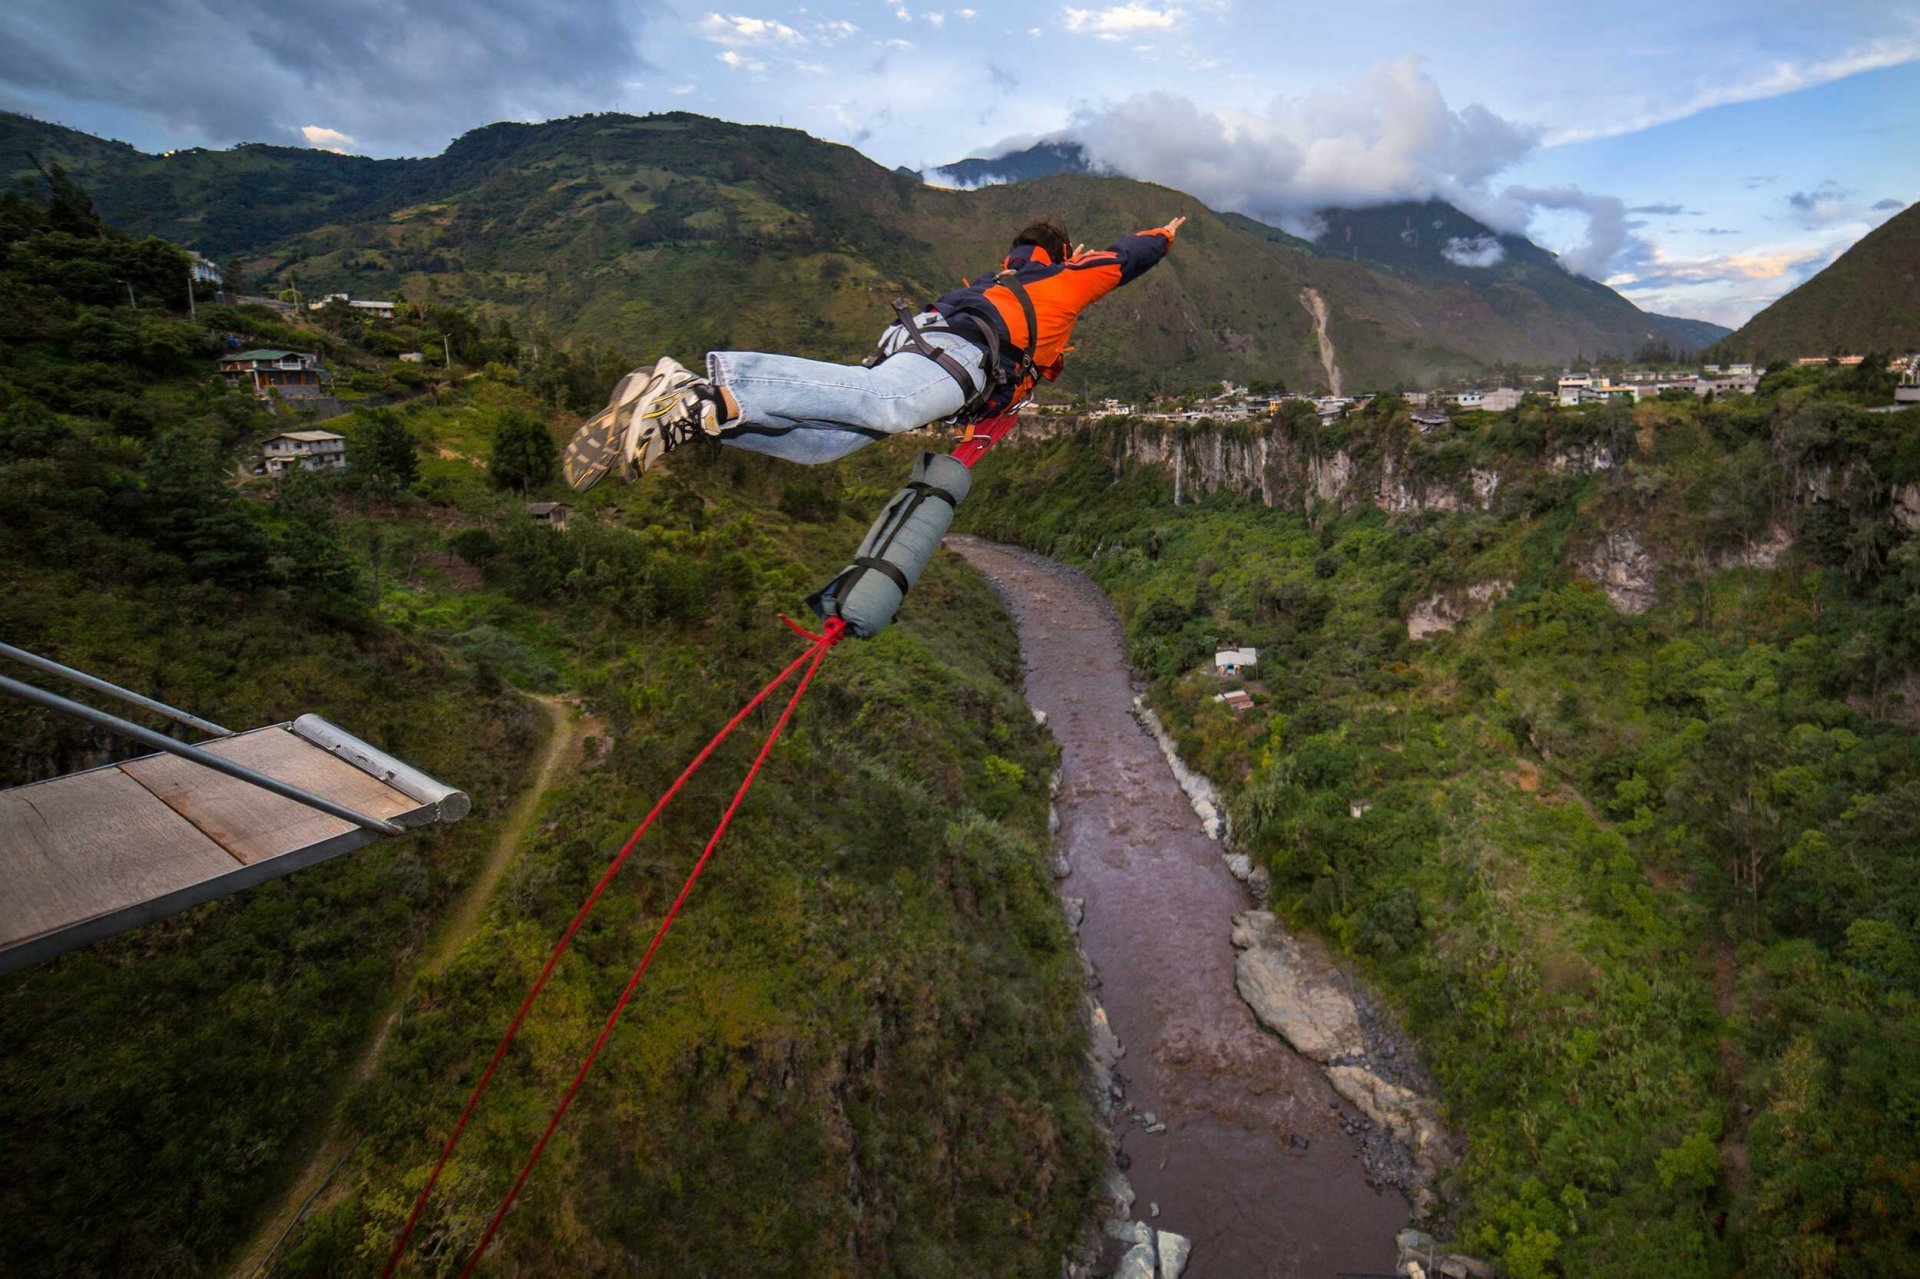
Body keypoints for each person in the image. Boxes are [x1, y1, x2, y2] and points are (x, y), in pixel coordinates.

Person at [562, 214, 1187, 490]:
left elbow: (1030, 359)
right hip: (958, 357)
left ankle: (700, 419)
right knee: (886, 407)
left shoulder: (996, 281)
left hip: (923, 342)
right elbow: (1126, 258)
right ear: (1065, 253)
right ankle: (697, 388)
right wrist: (1164, 235)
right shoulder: (1066, 278)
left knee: (829, 443)